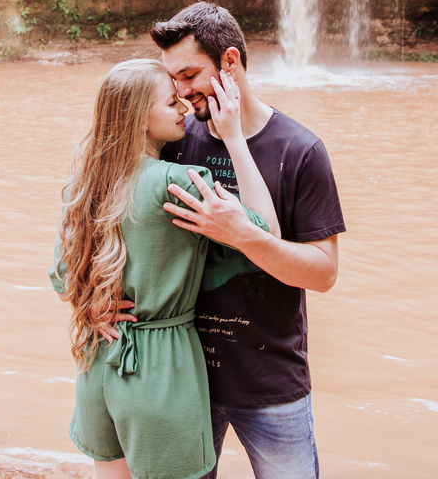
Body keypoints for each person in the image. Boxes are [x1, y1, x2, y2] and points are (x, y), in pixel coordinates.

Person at [49, 58, 281, 479]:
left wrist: (92, 306)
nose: (185, 109)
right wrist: (234, 137)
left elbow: (62, 276)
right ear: (140, 118)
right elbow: (264, 234)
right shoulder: (179, 183)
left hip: (99, 362)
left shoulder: (83, 184)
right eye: (172, 102)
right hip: (159, 373)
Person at [149, 1, 346, 479]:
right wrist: (98, 298)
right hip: (184, 375)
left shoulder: (300, 150)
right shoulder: (174, 138)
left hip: (271, 380)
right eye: (173, 79)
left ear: (230, 62)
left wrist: (244, 236)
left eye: (190, 75)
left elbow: (323, 273)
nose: (181, 92)